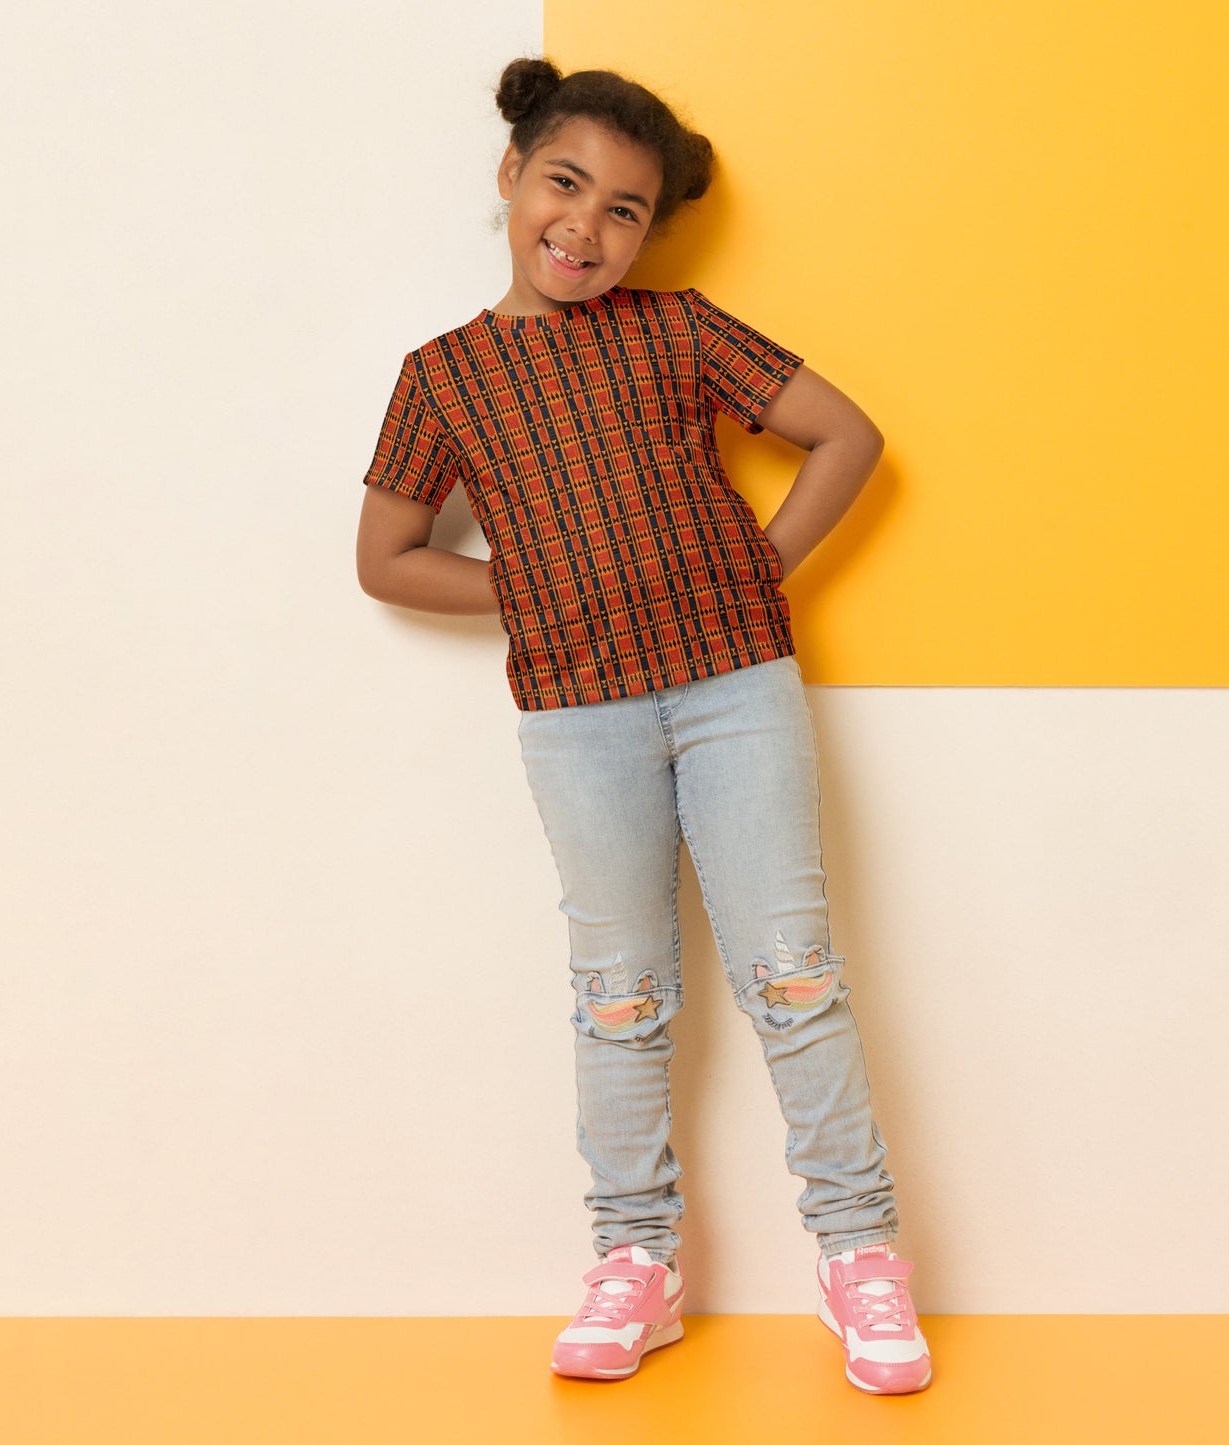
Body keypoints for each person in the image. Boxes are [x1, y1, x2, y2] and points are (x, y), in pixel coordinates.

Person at [355, 57, 932, 1395]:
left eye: (624, 209)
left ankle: (859, 1251)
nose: (586, 225)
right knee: (617, 996)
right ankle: (636, 1261)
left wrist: (758, 566)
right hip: (577, 717)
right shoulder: (443, 377)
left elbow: (846, 438)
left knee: (793, 972)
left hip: (735, 689)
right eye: (564, 184)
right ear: (512, 175)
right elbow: (387, 558)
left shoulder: (678, 330)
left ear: (649, 231)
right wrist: (527, 592)